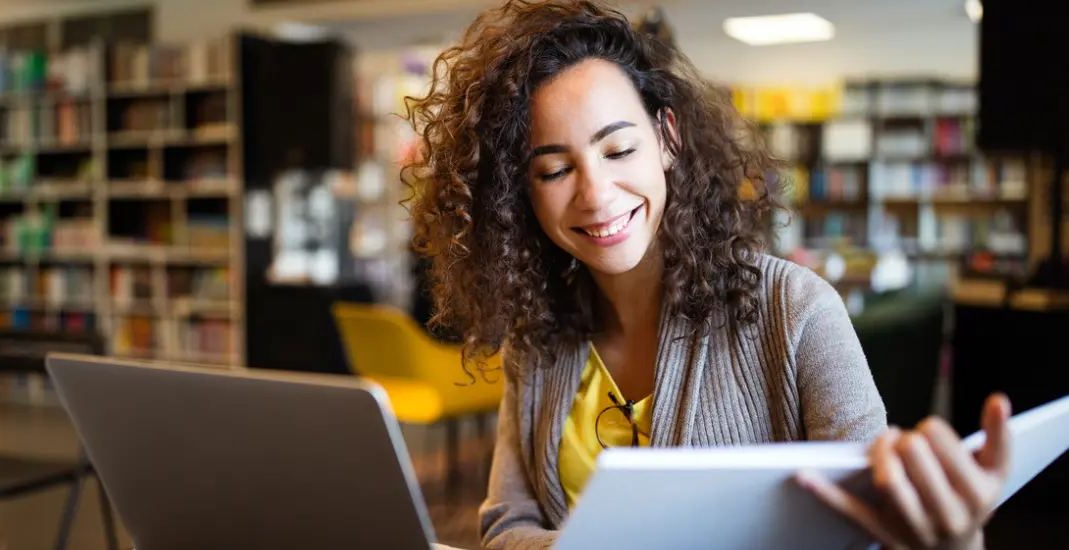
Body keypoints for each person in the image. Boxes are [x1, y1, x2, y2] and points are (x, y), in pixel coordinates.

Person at [401, 1, 1012, 549]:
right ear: (520, 193)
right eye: (555, 170)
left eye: (618, 151)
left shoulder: (795, 309)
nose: (596, 195)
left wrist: (954, 541)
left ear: (667, 139)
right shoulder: (535, 337)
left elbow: (875, 530)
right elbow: (506, 525)